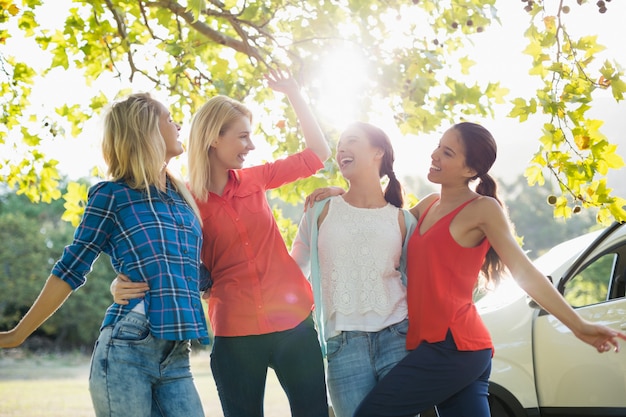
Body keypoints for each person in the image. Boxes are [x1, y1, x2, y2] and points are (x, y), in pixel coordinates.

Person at [312, 122, 626, 417]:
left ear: (471, 170)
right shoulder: (426, 207)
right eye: (438, 146)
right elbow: (376, 220)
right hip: (432, 346)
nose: (435, 155)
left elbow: (525, 271)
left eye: (447, 153)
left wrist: (577, 324)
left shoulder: (482, 209)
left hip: (454, 347)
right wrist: (342, 195)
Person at [113, 69, 332, 417]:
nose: (251, 146)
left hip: (293, 323)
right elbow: (158, 251)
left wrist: (294, 93)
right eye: (243, 136)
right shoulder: (183, 201)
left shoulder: (255, 179)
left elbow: (318, 153)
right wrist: (120, 281)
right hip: (235, 332)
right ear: (215, 138)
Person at [0, 93, 211, 417]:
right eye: (169, 119)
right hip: (128, 349)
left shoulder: (184, 200)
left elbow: (191, 273)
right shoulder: (112, 195)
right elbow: (70, 269)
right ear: (146, 130)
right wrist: (17, 335)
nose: (178, 125)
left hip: (176, 356)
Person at [290, 121, 416, 417]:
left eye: (352, 141)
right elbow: (293, 271)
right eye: (339, 146)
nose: (341, 149)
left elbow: (418, 281)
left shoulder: (403, 220)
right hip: (342, 346)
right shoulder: (320, 210)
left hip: (398, 338)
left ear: (378, 152)